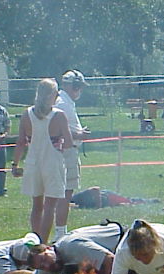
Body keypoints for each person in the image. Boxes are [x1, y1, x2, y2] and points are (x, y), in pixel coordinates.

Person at [12, 78, 74, 244]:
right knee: (49, 207)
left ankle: (35, 242)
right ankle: (43, 244)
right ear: (52, 95)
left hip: (33, 163)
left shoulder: (27, 114)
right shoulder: (59, 116)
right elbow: (68, 142)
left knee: (37, 205)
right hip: (52, 163)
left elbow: (20, 142)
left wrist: (15, 164)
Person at [8, 223, 122, 274]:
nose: (46, 266)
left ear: (48, 248)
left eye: (44, 260)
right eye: (42, 266)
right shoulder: (51, 263)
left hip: (121, 242)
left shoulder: (72, 246)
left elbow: (110, 259)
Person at [54, 70, 91, 241]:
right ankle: (61, 233)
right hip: (66, 152)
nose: (80, 91)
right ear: (71, 86)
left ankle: (60, 230)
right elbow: (58, 129)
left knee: (63, 194)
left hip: (66, 151)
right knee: (65, 195)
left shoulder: (65, 102)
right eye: (78, 87)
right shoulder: (62, 103)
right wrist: (78, 135)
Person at [71, 186, 160, 209]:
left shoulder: (76, 197)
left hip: (108, 197)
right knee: (126, 204)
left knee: (130, 201)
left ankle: (151, 201)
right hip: (108, 201)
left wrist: (99, 206)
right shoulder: (75, 203)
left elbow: (95, 189)